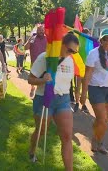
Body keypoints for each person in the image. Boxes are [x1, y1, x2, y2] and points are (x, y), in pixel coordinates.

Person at [28, 32, 79, 171]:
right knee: (41, 130)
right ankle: (32, 150)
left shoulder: (70, 60)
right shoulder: (44, 57)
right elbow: (30, 79)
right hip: (44, 98)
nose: (71, 53)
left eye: (74, 52)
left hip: (63, 100)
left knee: (67, 136)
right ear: (61, 44)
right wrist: (43, 80)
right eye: (70, 50)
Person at [25, 25, 47, 98]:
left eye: (42, 30)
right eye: (39, 30)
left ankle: (39, 94)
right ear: (36, 31)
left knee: (42, 79)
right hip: (34, 63)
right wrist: (29, 39)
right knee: (33, 78)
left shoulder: (47, 39)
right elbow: (25, 47)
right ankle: (32, 88)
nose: (41, 31)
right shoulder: (33, 39)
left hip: (44, 63)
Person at [72, 28, 90, 113]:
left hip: (86, 69)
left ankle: (83, 104)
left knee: (84, 88)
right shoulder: (78, 43)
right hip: (79, 69)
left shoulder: (89, 44)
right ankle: (77, 102)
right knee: (78, 87)